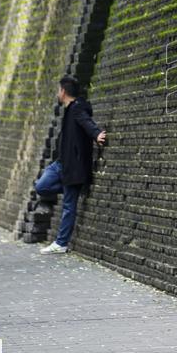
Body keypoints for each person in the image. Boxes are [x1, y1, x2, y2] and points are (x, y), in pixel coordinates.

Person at [35, 75, 106, 254]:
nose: (58, 93)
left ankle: (61, 243)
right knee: (42, 186)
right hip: (61, 164)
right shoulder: (70, 109)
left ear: (63, 91)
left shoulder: (77, 108)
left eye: (59, 90)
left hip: (73, 167)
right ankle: (73, 188)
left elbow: (86, 121)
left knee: (68, 206)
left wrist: (96, 133)